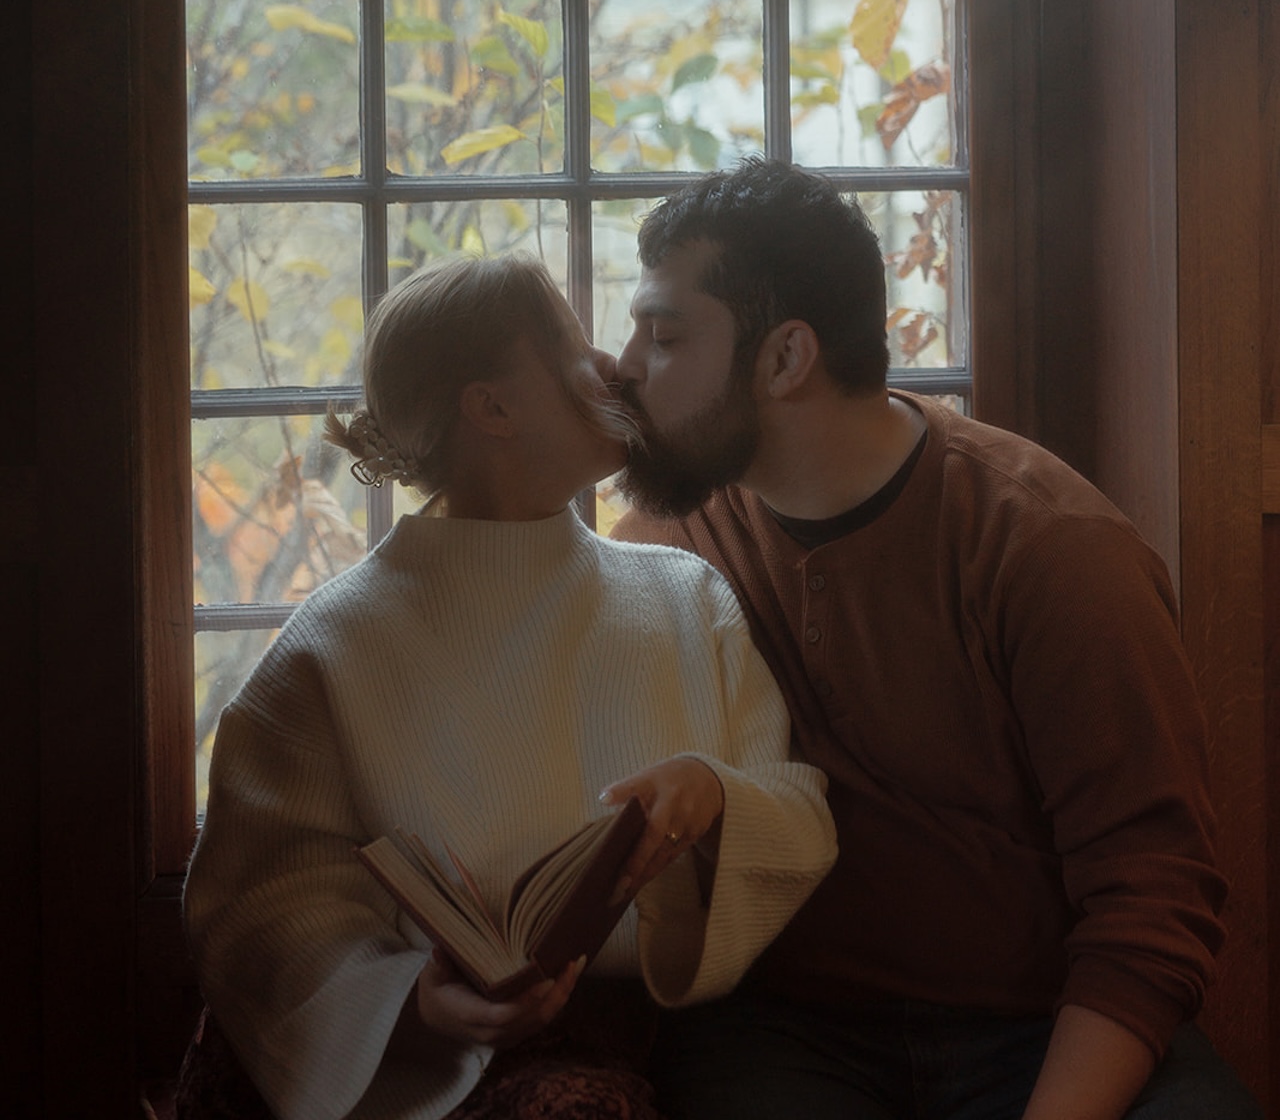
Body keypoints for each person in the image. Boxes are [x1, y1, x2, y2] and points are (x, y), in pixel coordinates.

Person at [610, 158, 1261, 1120]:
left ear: (786, 359)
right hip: (785, 1030)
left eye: (663, 337)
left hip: (1038, 1023)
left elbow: (1151, 897)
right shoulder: (669, 543)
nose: (624, 365)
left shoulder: (1047, 546)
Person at [182, 253, 836, 1120]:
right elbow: (264, 905)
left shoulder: (686, 594)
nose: (611, 366)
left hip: (682, 1042)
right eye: (571, 342)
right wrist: (418, 1005)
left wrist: (716, 797)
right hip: (435, 1065)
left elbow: (799, 809)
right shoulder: (332, 645)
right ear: (491, 407)